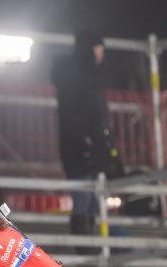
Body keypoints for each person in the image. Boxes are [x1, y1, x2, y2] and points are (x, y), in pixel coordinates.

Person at [51, 30, 123, 239]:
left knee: (90, 198)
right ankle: (85, 246)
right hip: (83, 147)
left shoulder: (81, 77)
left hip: (84, 146)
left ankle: (89, 245)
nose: (102, 55)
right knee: (84, 197)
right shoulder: (83, 79)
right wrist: (93, 140)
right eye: (99, 50)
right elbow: (87, 115)